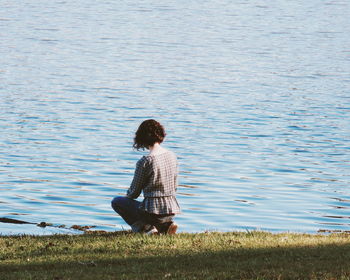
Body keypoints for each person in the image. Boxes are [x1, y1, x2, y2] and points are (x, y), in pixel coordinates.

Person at [111, 119, 180, 234]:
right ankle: (165, 225)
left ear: (142, 138)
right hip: (171, 209)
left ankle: (146, 228)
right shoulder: (172, 156)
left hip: (152, 212)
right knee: (152, 210)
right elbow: (175, 186)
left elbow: (134, 193)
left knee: (117, 202)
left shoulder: (145, 161)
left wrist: (126, 196)